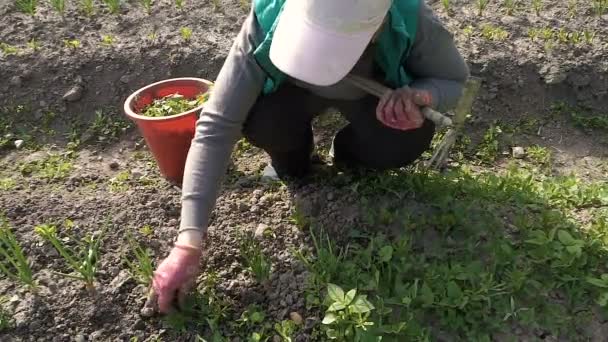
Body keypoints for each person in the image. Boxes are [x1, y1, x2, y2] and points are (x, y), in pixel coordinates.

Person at [148, 0, 469, 313]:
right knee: (263, 120)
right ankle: (293, 164)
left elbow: (453, 79)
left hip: (371, 98)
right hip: (290, 99)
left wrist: (424, 94)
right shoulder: (268, 18)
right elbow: (217, 125)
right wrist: (188, 243)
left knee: (405, 138)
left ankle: (347, 158)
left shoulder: (410, 20)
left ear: (376, 29)